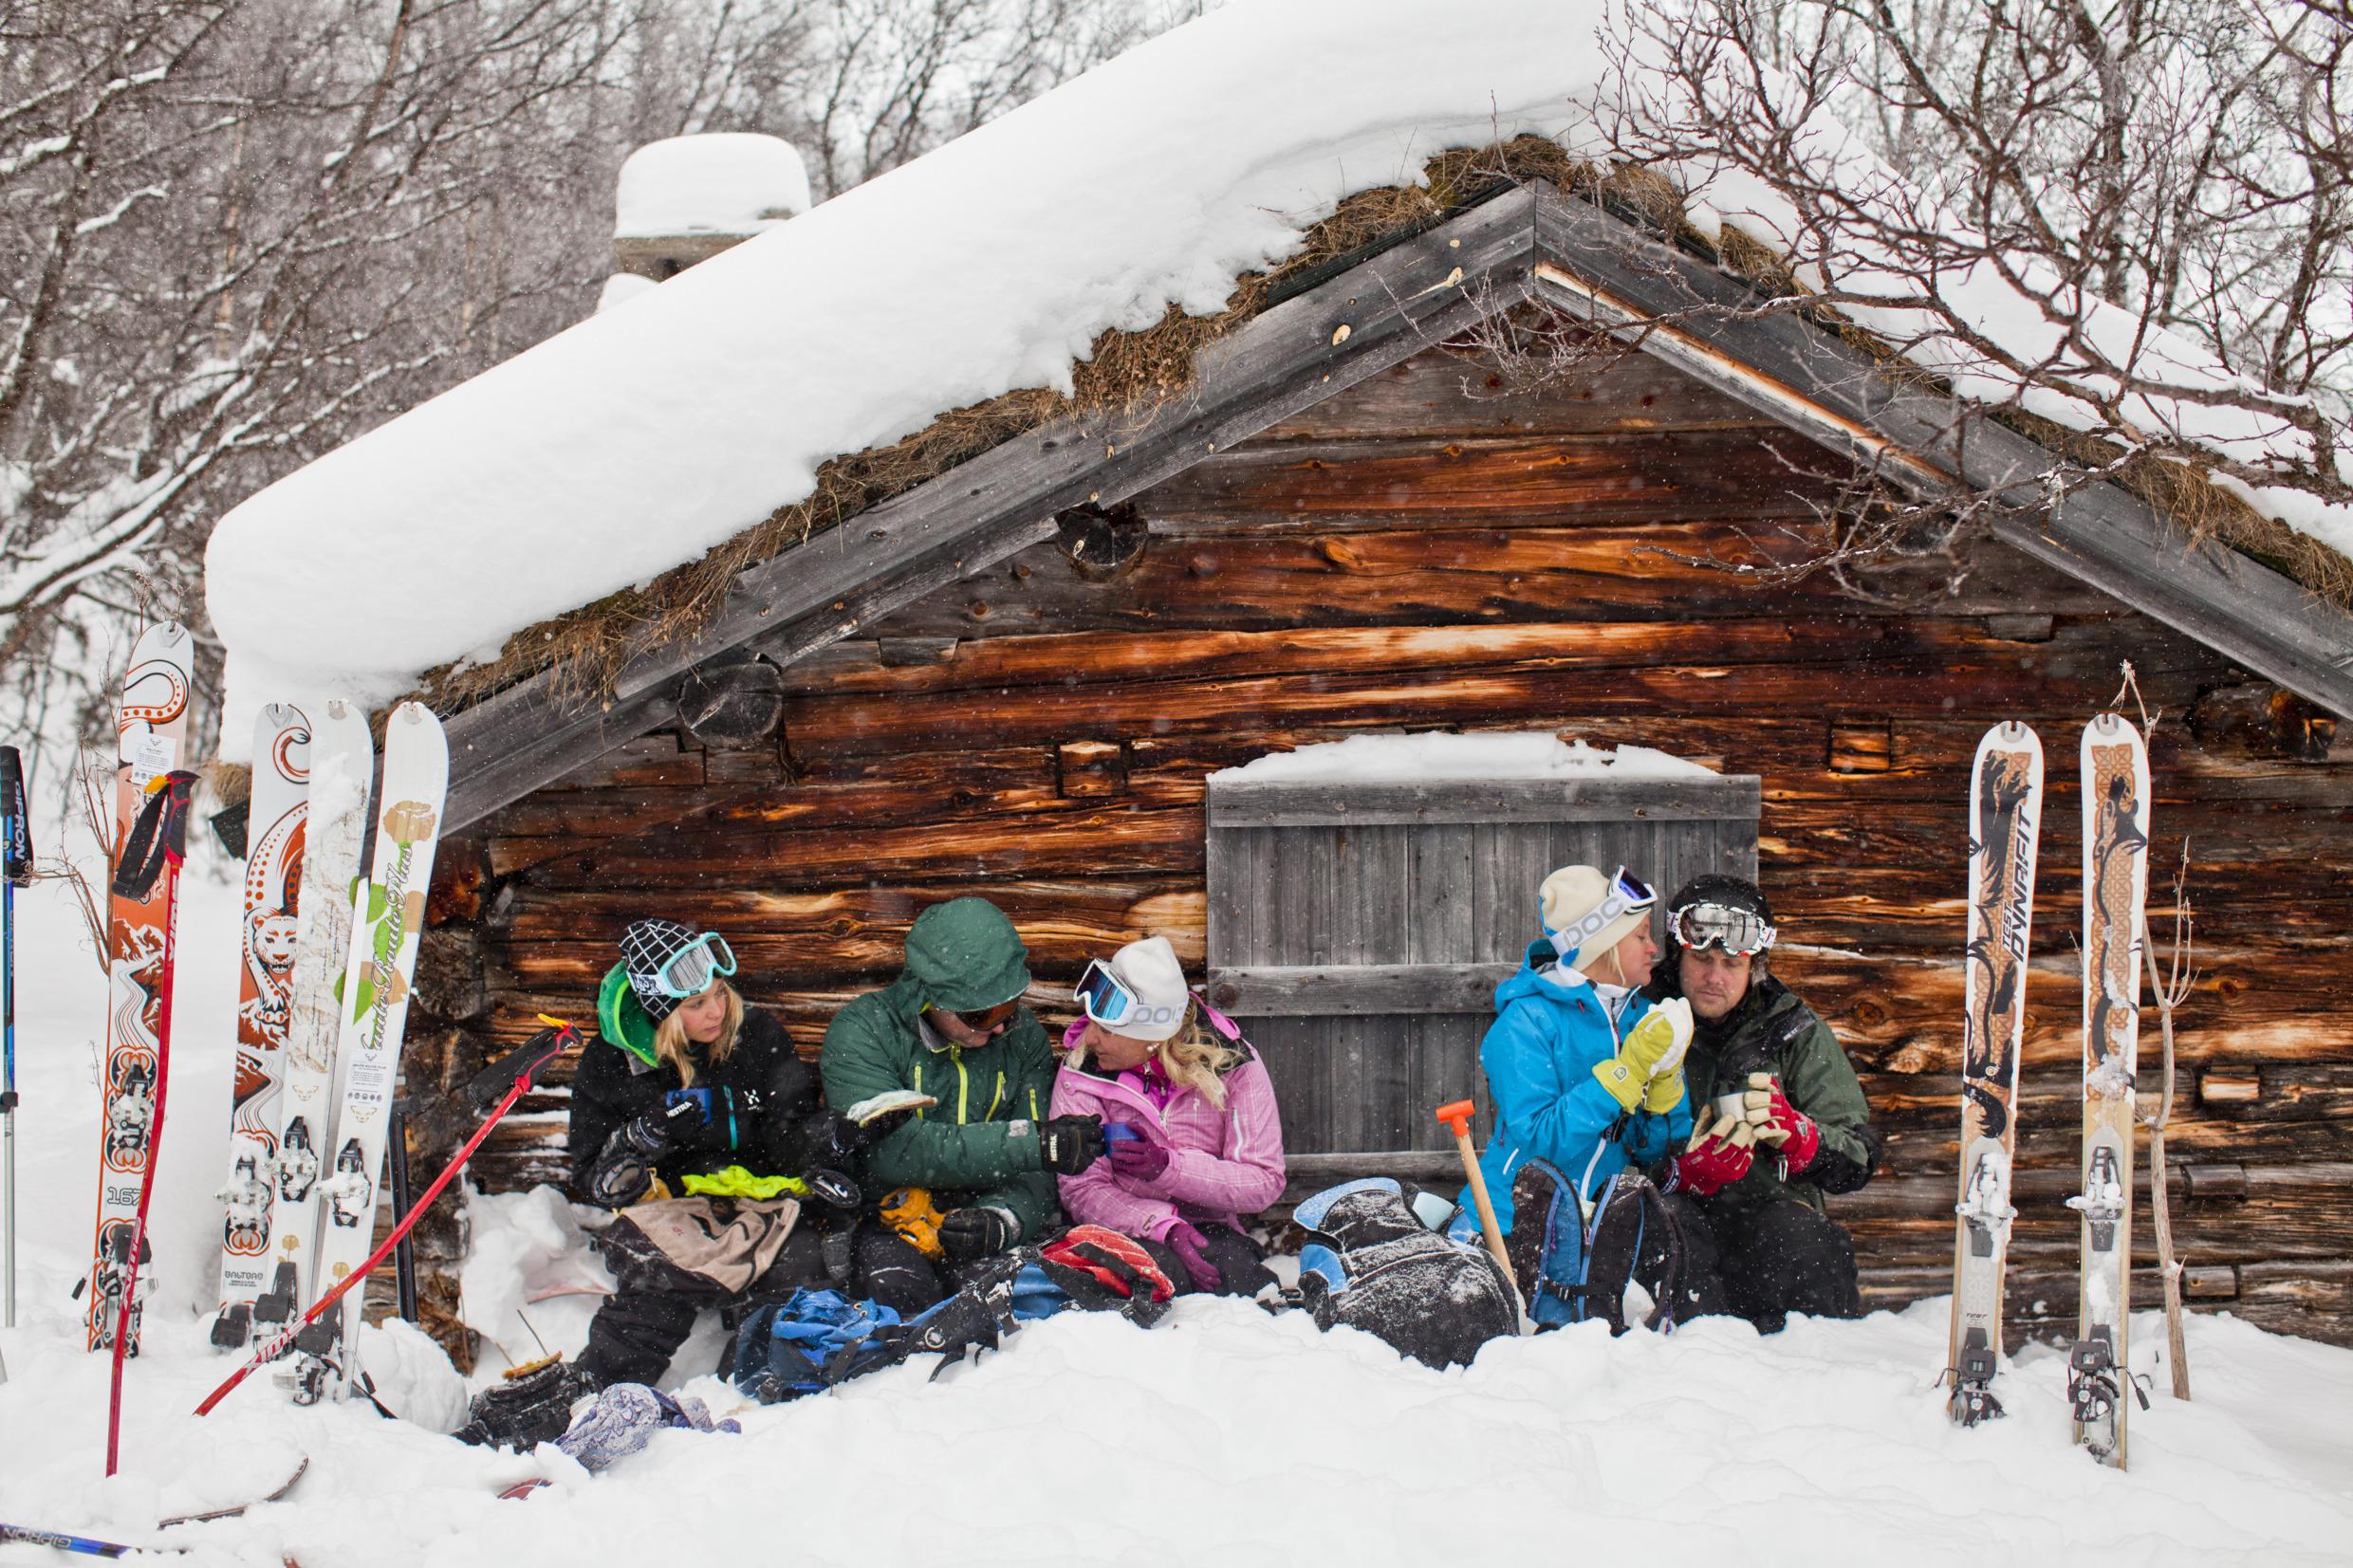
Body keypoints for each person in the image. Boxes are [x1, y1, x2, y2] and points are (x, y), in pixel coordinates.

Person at [559, 917, 841, 1393]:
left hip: (763, 1203)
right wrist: (638, 1140)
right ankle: (592, 1400)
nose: (716, 1011)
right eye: (696, 1004)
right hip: (671, 1211)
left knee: (801, 1276)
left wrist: (828, 1144)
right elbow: (594, 1178)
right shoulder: (612, 1064)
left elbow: (788, 1135)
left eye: (719, 994)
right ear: (662, 1012)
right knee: (654, 1292)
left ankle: (754, 1398)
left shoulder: (756, 1034)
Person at [822, 896, 1108, 1283]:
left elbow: (1040, 1171)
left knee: (1008, 1304)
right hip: (886, 1217)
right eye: (982, 1015)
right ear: (931, 998)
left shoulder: (1023, 1040)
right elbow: (894, 1151)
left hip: (980, 1211)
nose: (1001, 1027)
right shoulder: (863, 1032)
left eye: (1011, 1006)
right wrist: (1032, 1143)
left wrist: (1003, 1218)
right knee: (897, 1289)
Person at [1644, 875, 1881, 1330]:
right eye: (1702, 958)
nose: (1715, 977)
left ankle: (1813, 1370)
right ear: (1678, 958)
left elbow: (1859, 1156)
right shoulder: (1638, 1017)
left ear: (1756, 968)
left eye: (1732, 965)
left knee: (1804, 1240)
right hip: (1671, 1216)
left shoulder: (1791, 1030)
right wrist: (1679, 1173)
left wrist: (1801, 1139)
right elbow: (1600, 1145)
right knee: (1661, 1227)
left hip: (1769, 1226)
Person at [1048, 936, 1286, 1297]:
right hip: (1124, 1225)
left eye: (1107, 1029)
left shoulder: (1234, 1065)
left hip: (1212, 1227)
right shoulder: (1083, 1070)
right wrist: (1162, 1225)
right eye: (1091, 1020)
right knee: (1149, 1280)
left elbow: (1263, 1180)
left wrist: (1168, 1169)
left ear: (1152, 1037)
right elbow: (1082, 1188)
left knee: (1237, 1283)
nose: (1090, 1038)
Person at [1465, 864, 1694, 1234]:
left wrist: (1665, 1084)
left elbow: (1652, 1152)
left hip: (1596, 1232)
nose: (1654, 947)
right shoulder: (1526, 1021)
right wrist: (1627, 1074)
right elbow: (1542, 1144)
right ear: (1603, 945)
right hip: (1510, 1226)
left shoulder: (1641, 1020)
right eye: (1640, 936)